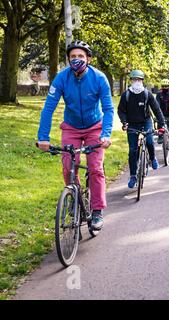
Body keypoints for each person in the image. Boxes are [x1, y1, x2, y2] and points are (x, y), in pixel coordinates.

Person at [37, 40, 114, 231]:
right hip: (71, 127)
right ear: (68, 59)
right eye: (73, 57)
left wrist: (105, 135)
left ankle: (97, 211)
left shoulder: (99, 78)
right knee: (68, 168)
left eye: (80, 56)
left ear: (88, 59)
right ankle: (75, 199)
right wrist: (43, 137)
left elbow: (108, 109)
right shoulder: (61, 78)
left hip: (94, 127)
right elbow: (48, 108)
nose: (76, 59)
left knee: (95, 168)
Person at [118, 70, 166, 188]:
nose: (137, 82)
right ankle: (133, 176)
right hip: (132, 125)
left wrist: (162, 124)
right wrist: (124, 122)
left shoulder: (146, 94)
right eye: (134, 80)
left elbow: (156, 109)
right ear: (131, 81)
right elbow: (121, 111)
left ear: (142, 81)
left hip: (146, 122)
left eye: (139, 80)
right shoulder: (126, 95)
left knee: (149, 141)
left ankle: (153, 157)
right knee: (133, 150)